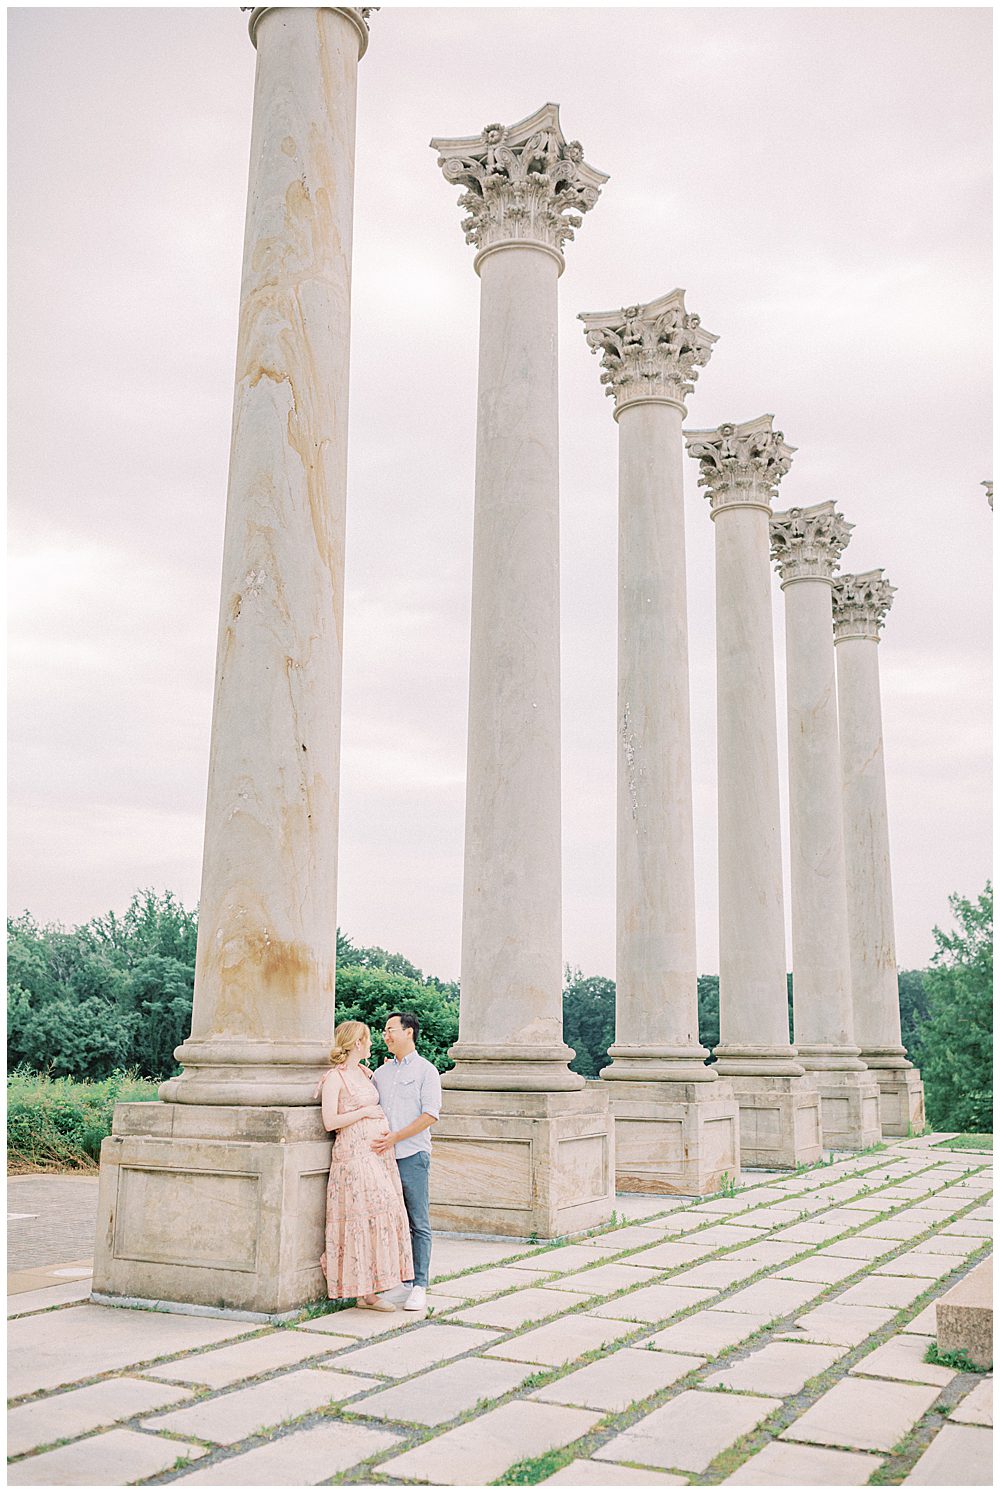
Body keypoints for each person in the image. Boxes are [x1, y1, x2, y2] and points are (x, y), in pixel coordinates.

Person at [316, 1020, 413, 1311]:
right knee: (364, 1216)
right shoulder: (336, 1078)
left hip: (377, 1153)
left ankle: (375, 1286)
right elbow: (330, 1122)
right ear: (357, 1043)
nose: (373, 1043)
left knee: (384, 1211)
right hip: (354, 1155)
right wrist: (364, 1112)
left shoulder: (363, 1072)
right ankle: (364, 1293)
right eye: (368, 1039)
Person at [371, 1011, 441, 1310]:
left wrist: (396, 1138)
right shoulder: (380, 1073)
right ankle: (396, 1279)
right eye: (384, 1031)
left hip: (412, 1154)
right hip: (381, 1157)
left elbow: (430, 1115)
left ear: (408, 1032)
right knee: (387, 1220)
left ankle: (420, 1284)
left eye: (390, 1030)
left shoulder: (427, 1071)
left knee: (418, 1221)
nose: (385, 1035)